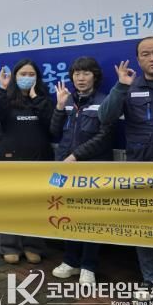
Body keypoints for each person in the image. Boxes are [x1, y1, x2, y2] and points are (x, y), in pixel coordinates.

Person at [98, 36, 153, 305]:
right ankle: (150, 282)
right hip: (142, 172)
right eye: (145, 54)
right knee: (145, 228)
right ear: (138, 60)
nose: (152, 58)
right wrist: (120, 86)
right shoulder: (129, 87)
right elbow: (105, 118)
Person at [49, 57, 114, 285]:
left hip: (92, 168)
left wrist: (76, 155)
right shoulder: (66, 100)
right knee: (68, 215)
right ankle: (71, 261)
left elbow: (105, 136)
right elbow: (54, 132)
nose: (81, 78)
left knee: (91, 217)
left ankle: (88, 266)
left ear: (95, 76)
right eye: (77, 74)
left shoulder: (105, 101)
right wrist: (59, 107)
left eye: (86, 73)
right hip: (65, 168)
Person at [0, 58, 53, 265]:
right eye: (23, 74)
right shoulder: (6, 98)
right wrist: (2, 89)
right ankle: (10, 246)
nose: (27, 78)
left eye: (31, 74)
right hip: (11, 160)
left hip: (38, 160)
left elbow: (52, 125)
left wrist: (36, 99)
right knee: (11, 204)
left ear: (37, 78)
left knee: (34, 205)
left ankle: (33, 246)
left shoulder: (43, 98)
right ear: (15, 77)